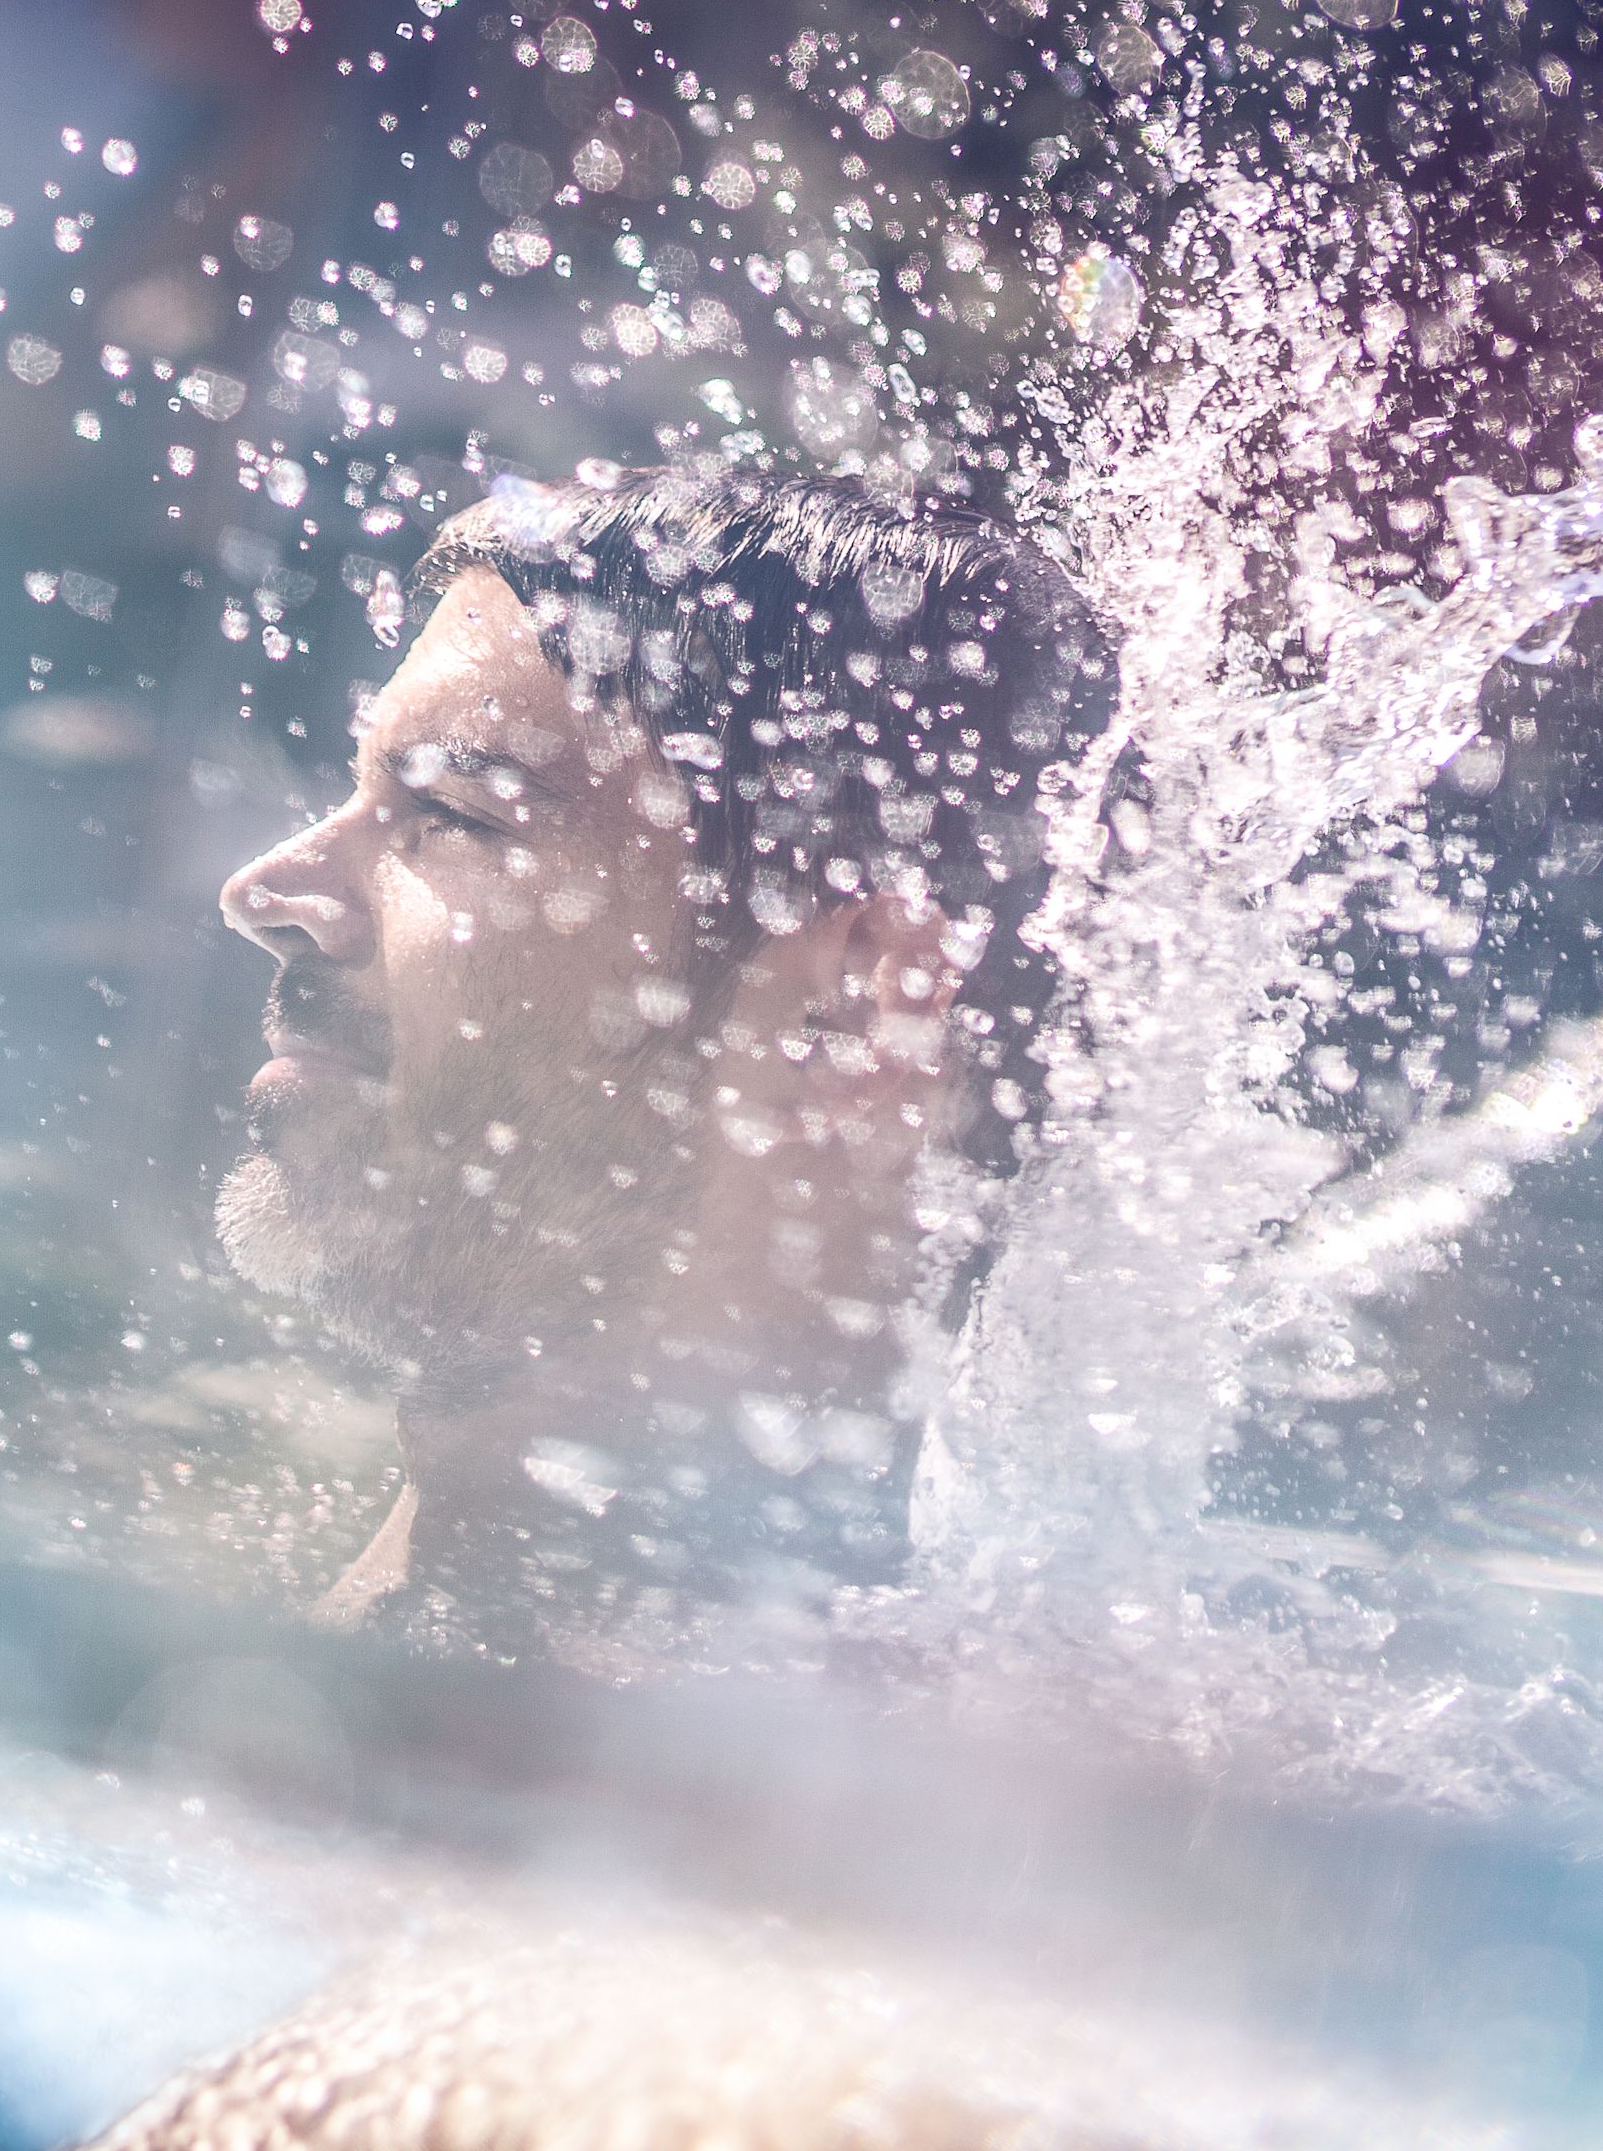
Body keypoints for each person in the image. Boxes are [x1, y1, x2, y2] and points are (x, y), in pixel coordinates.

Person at [211, 466, 1113, 1655]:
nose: (266, 892)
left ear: (858, 998)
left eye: (460, 814)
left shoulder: (851, 1816)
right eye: (359, 791)